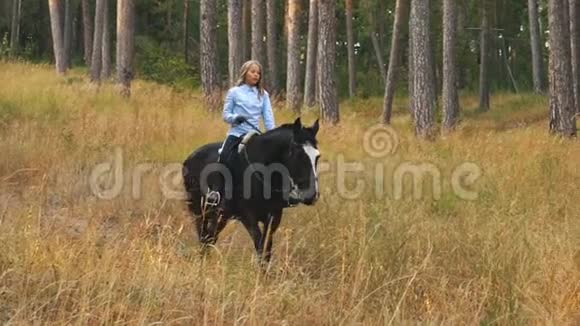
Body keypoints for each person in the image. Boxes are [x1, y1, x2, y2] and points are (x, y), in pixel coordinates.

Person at [205, 60, 276, 210]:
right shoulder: (234, 92)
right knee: (224, 155)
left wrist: (272, 136)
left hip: (254, 134)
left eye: (258, 73)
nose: (256, 75)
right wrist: (235, 118)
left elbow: (268, 117)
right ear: (245, 73)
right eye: (253, 72)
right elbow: (226, 115)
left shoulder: (263, 95)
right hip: (236, 133)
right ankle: (216, 191)